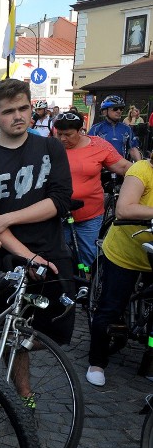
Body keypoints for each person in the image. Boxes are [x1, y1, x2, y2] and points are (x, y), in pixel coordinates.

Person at [0, 79, 76, 402]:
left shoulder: (50, 147)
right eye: (9, 111)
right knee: (13, 326)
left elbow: (60, 200)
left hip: (52, 250)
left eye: (23, 108)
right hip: (5, 256)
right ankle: (24, 394)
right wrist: (26, 256)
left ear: (31, 108)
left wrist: (9, 217)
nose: (18, 116)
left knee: (57, 330)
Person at [87, 156, 153, 386]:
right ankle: (97, 361)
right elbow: (124, 209)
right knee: (110, 307)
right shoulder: (142, 170)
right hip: (126, 252)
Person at [54, 111, 131, 270]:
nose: (62, 139)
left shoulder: (98, 145)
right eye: (59, 134)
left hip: (89, 215)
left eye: (68, 135)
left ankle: (87, 286)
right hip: (57, 214)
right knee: (60, 256)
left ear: (80, 130)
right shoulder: (50, 146)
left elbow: (123, 167)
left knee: (88, 257)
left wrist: (145, 174)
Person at [89, 96, 141, 161]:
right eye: (115, 108)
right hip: (101, 168)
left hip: (122, 168)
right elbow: (87, 150)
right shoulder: (95, 129)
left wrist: (140, 164)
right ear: (104, 111)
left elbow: (133, 149)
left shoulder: (127, 129)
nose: (119, 111)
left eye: (121, 108)